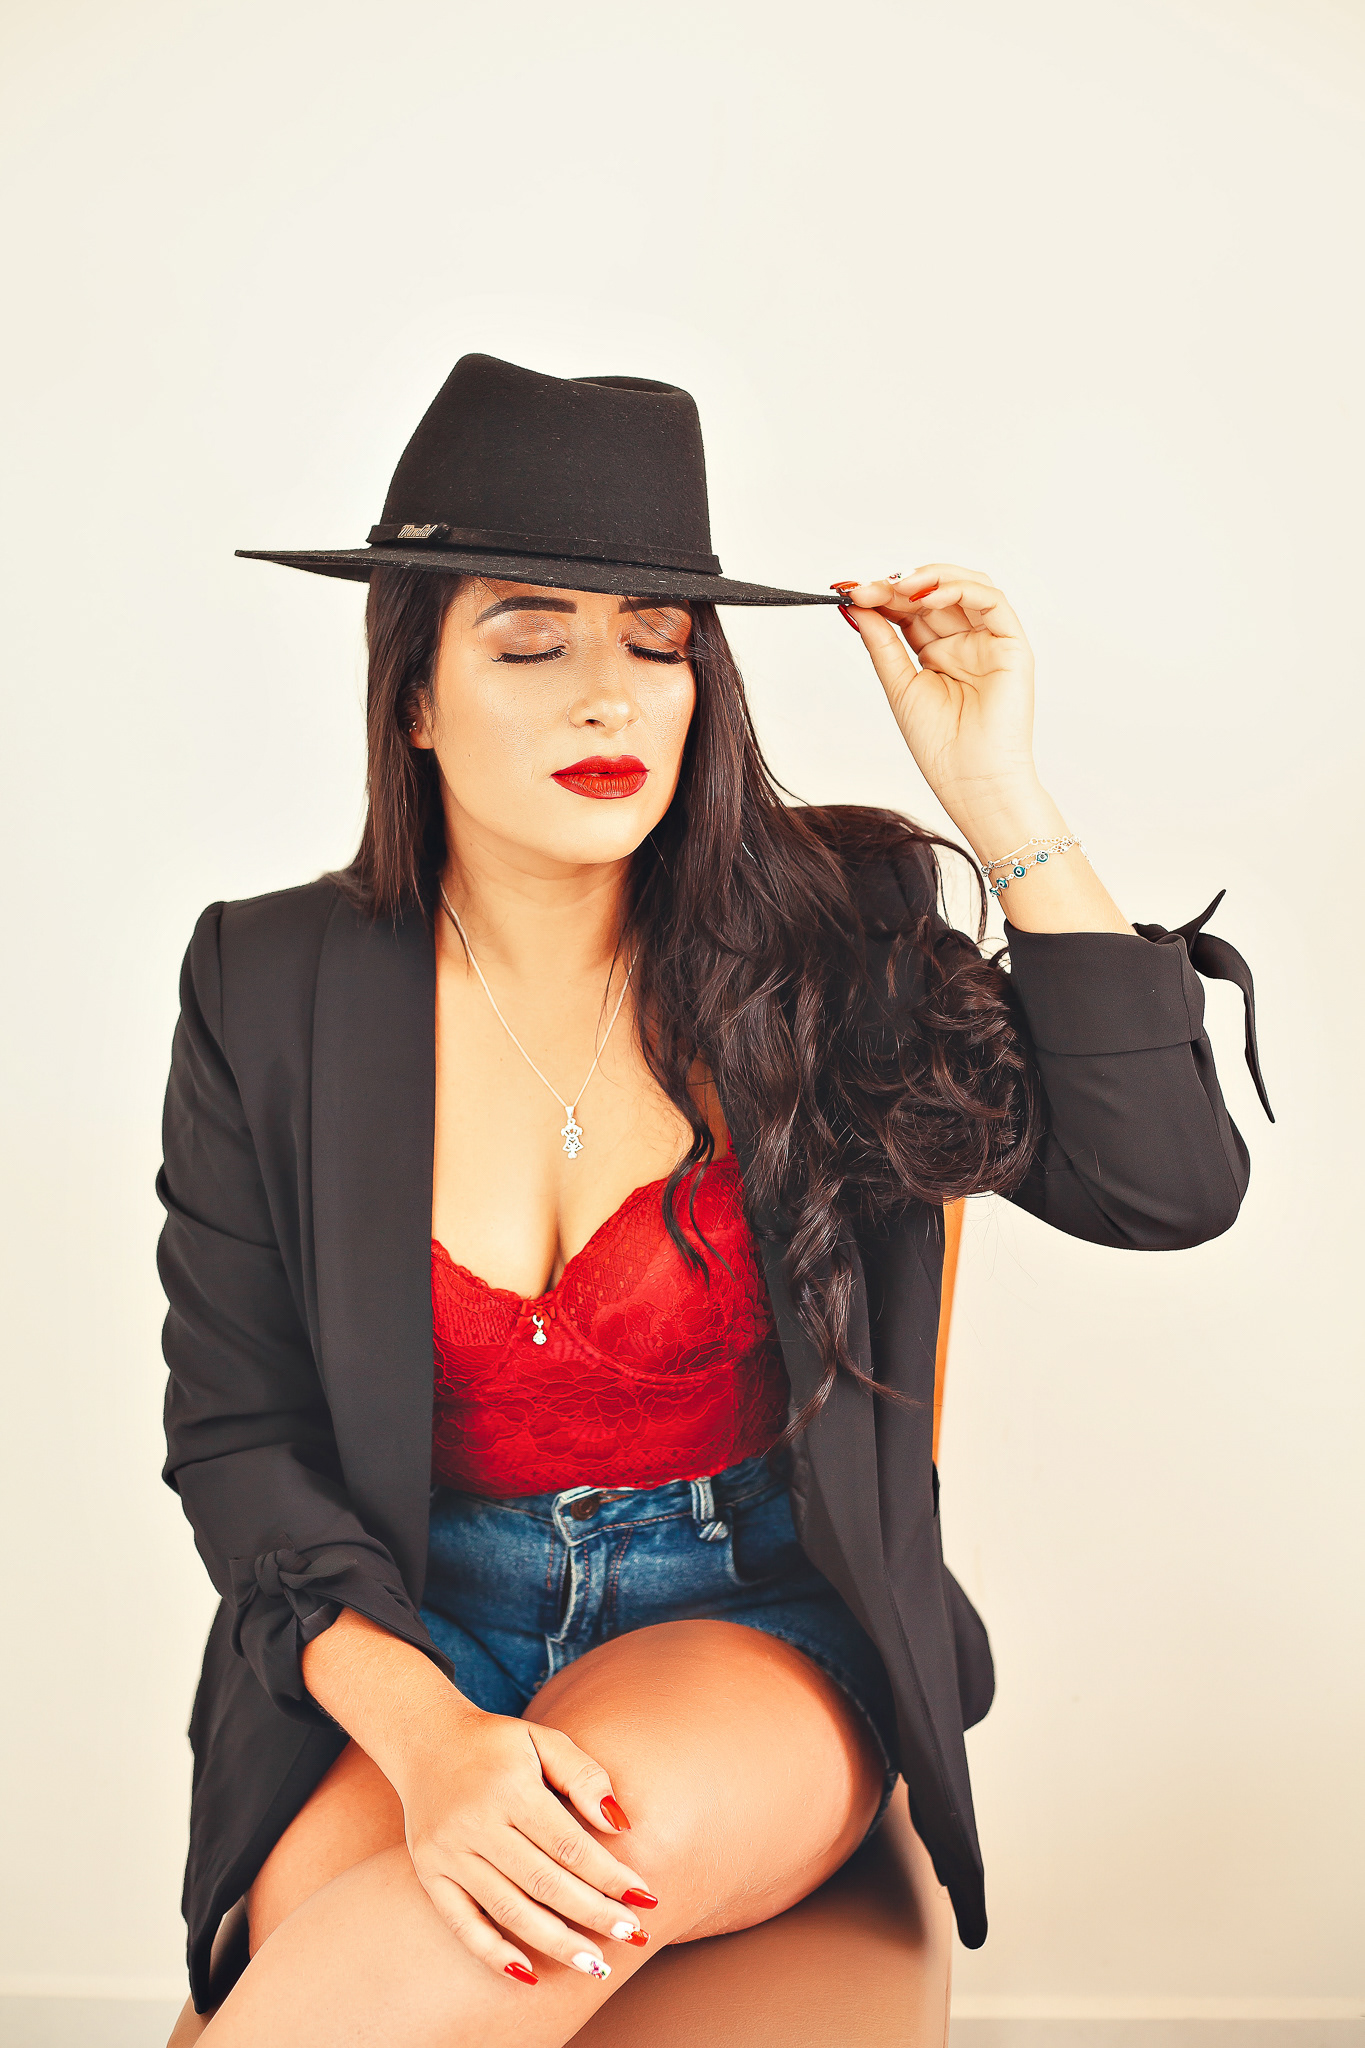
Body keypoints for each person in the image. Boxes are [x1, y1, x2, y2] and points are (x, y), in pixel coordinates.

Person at [157, 354, 1267, 2046]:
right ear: (416, 699)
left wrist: (998, 795)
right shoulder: (268, 977)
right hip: (408, 1627)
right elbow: (238, 1439)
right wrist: (432, 1741)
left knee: (543, 1886)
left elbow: (1163, 1187)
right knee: (327, 1951)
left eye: (656, 643)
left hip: (747, 1618)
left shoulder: (835, 943)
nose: (607, 698)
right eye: (530, 643)